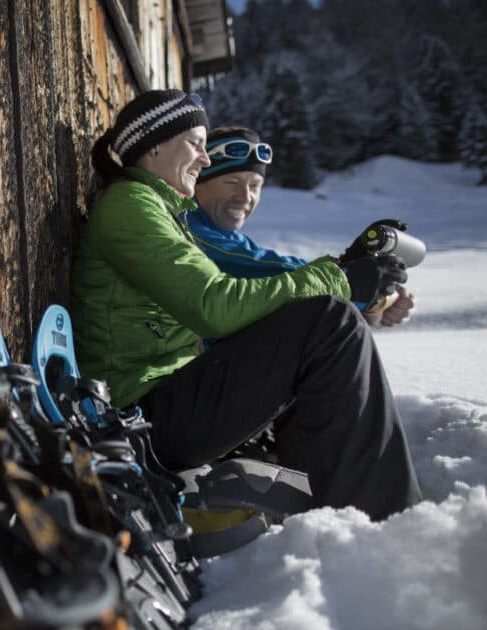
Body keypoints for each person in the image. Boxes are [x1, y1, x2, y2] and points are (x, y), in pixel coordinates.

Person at [69, 89, 421, 521]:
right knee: (328, 323)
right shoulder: (131, 206)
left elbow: (246, 287)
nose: (203, 159)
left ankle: (327, 508)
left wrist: (347, 280)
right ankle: (388, 516)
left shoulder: (158, 209)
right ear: (155, 144)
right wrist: (340, 278)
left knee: (323, 330)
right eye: (196, 144)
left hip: (158, 404)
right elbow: (213, 305)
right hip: (139, 417)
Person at [189, 126, 415, 328]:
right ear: (197, 183)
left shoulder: (225, 236)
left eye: (255, 185)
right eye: (232, 182)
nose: (245, 196)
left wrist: (375, 304)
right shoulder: (191, 229)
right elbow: (270, 271)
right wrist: (347, 273)